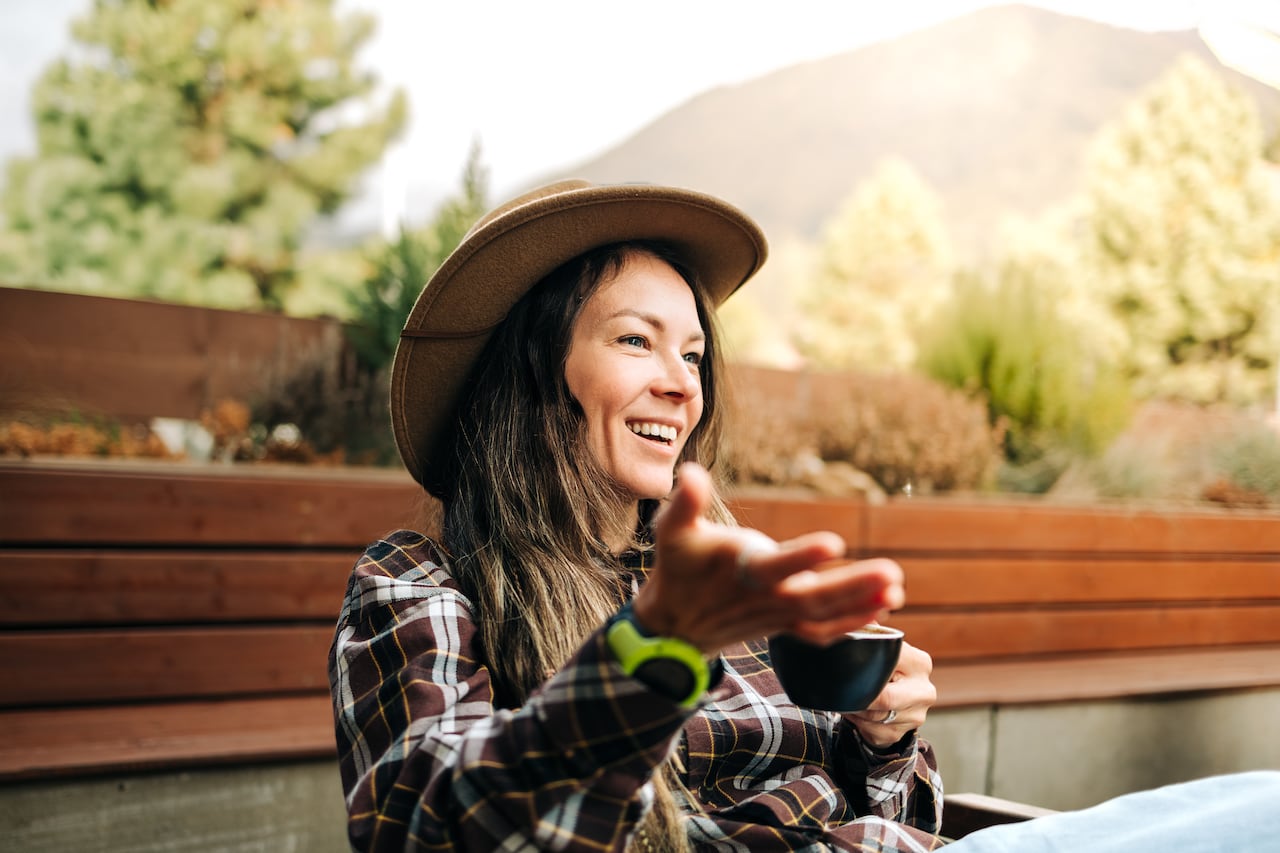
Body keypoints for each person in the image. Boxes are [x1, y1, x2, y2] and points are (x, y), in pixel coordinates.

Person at [329, 180, 1280, 852]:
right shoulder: (422, 581)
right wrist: (655, 647)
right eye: (635, 340)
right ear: (535, 373)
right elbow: (422, 828)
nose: (678, 381)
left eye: (694, 354)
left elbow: (895, 814)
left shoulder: (721, 570)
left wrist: (881, 739)